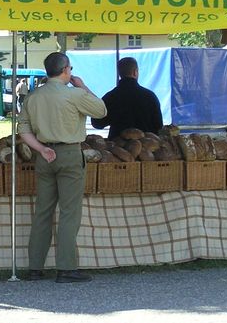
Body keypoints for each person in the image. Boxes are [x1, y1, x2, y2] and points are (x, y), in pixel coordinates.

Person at [18, 52, 107, 283]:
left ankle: (35, 268)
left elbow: (23, 130)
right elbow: (101, 111)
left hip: (44, 155)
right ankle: (66, 268)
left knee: (43, 211)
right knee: (69, 212)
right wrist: (83, 86)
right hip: (69, 154)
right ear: (66, 69)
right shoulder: (75, 94)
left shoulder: (33, 96)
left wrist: (41, 149)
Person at [91, 57, 163, 139]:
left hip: (116, 145)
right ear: (135, 72)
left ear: (119, 73)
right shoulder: (150, 96)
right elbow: (159, 127)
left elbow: (97, 123)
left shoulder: (110, 97)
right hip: (147, 145)